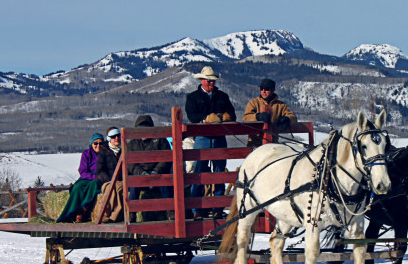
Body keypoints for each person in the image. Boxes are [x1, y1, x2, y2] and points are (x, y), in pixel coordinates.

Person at [184, 66, 236, 218]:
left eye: (213, 81)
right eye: (209, 81)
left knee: (219, 174)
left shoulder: (222, 96)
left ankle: (218, 209)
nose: (211, 83)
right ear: (202, 80)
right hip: (202, 138)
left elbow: (232, 114)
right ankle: (197, 210)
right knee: (200, 174)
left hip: (219, 138)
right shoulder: (192, 97)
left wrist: (223, 118)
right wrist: (206, 119)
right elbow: (192, 116)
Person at [56, 133, 104, 222]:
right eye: (95, 143)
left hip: (100, 177)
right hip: (88, 177)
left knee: (95, 185)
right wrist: (93, 176)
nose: (98, 145)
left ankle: (84, 210)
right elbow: (82, 171)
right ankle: (74, 212)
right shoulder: (86, 153)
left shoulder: (106, 153)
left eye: (101, 143)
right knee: (77, 188)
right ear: (91, 144)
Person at [126, 115, 172, 205]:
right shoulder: (132, 144)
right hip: (140, 174)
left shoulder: (160, 140)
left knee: (165, 183)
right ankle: (132, 213)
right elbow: (130, 164)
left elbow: (166, 158)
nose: (143, 133)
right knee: (134, 184)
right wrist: (141, 173)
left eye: (146, 129)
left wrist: (156, 171)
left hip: (158, 173)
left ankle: (171, 210)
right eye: (140, 130)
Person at [242, 78, 297, 147]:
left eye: (266, 89)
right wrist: (258, 117)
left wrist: (287, 119)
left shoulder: (280, 105)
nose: (263, 91)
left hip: (272, 143)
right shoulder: (253, 103)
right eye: (261, 89)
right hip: (254, 143)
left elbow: (293, 116)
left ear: (272, 90)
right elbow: (246, 117)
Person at [91, 127, 123, 223]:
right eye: (113, 137)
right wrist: (109, 179)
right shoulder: (104, 151)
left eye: (118, 136)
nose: (116, 138)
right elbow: (100, 169)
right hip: (109, 179)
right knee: (110, 188)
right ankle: (105, 214)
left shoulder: (124, 150)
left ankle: (114, 216)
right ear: (109, 138)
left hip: (122, 180)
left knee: (118, 189)